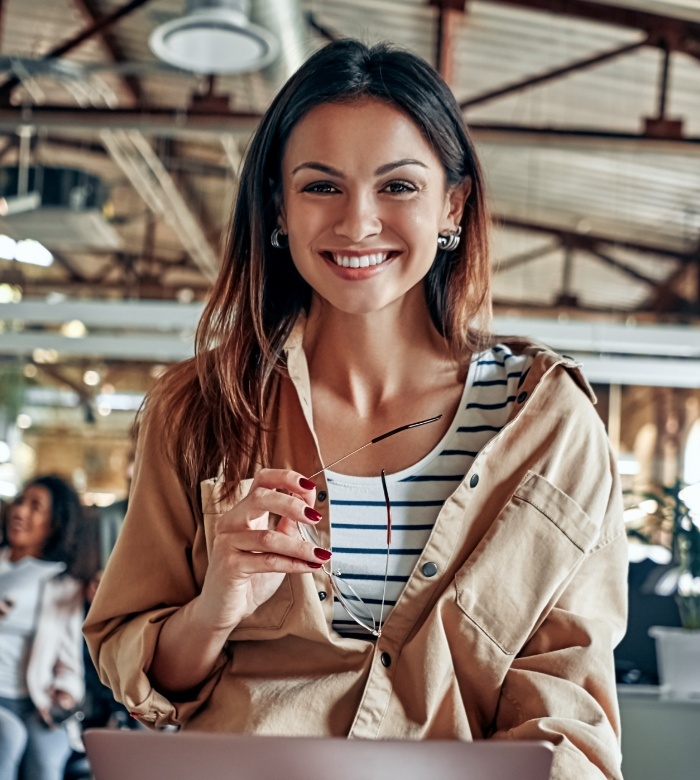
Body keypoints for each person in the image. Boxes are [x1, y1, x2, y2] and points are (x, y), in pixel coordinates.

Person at [84, 39, 628, 779]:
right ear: (278, 203)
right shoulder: (199, 408)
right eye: (321, 187)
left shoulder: (549, 426)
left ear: (453, 204)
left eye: (398, 186)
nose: (358, 223)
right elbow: (142, 673)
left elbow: (569, 710)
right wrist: (217, 604)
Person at [0, 475, 85, 780]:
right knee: (7, 738)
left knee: (47, 762)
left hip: (35, 704)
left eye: (35, 506)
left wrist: (63, 696)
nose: (19, 511)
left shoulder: (64, 587)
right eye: (20, 501)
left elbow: (70, 668)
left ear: (54, 524)